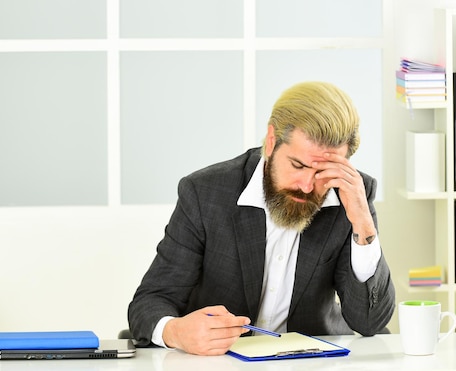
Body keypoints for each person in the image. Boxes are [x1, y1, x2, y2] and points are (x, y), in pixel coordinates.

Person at [127, 81, 395, 356]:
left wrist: (363, 224)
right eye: (298, 165)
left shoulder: (351, 195)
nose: (306, 185)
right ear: (271, 141)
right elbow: (150, 302)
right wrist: (176, 332)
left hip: (312, 363)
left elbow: (370, 322)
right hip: (220, 363)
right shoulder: (205, 193)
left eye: (323, 172)